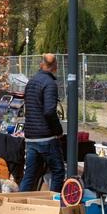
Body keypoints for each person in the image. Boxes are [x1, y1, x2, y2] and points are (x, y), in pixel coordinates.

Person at [20, 54, 66, 192]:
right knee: (58, 171)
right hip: (46, 137)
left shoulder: (31, 82)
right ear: (55, 66)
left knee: (30, 175)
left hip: (31, 136)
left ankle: (18, 202)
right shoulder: (50, 84)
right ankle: (53, 202)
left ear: (41, 64)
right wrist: (58, 130)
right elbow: (49, 111)